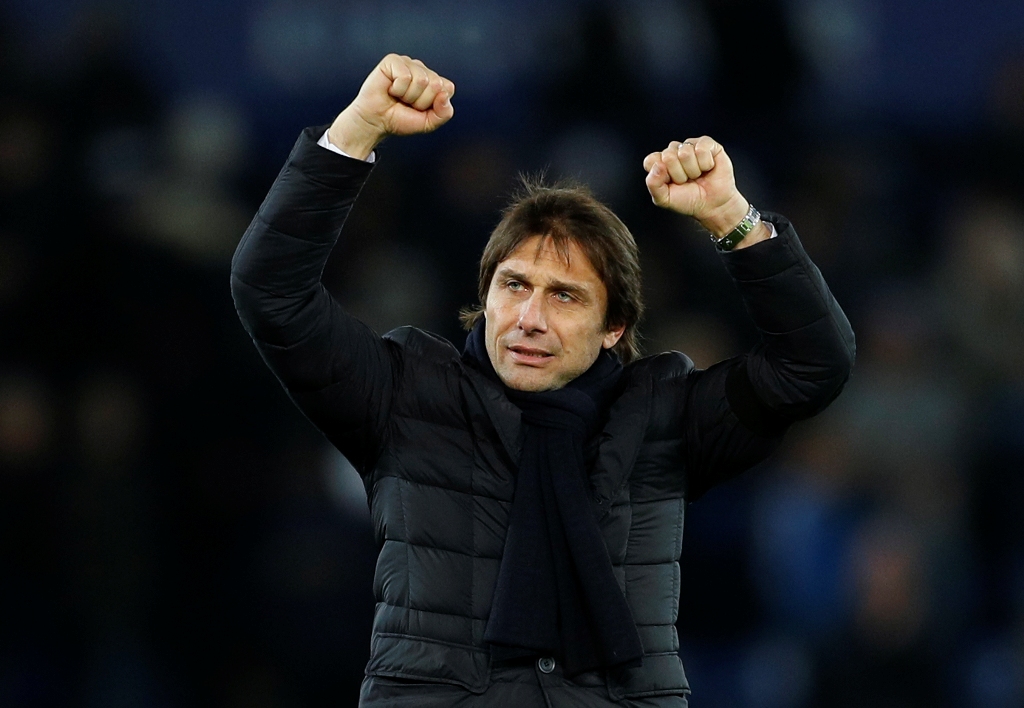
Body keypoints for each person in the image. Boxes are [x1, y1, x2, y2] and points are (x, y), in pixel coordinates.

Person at [231, 54, 855, 707]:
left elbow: (815, 363)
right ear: (486, 295)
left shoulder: (662, 413)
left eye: (564, 297)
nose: (528, 318)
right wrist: (357, 130)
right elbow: (270, 292)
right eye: (514, 286)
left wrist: (731, 216)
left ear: (614, 327)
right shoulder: (407, 394)